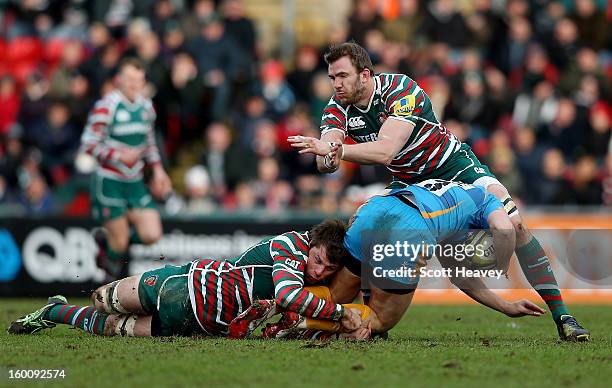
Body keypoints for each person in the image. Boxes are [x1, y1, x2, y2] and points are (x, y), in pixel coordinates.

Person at [287, 41, 589, 341]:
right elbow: (327, 155)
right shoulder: (336, 106)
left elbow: (386, 151)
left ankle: (563, 316)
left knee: (516, 224)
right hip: (409, 181)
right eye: (332, 78)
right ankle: (358, 318)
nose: (336, 84)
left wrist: (335, 149)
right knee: (361, 226)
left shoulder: (400, 90)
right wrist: (326, 156)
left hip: (454, 167)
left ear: (364, 75)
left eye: (342, 76)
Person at [233, 179, 546, 340]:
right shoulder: (486, 200)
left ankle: (282, 304)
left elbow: (363, 209)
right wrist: (499, 264)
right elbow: (504, 228)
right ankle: (299, 321)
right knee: (379, 322)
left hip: (373, 211)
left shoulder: (441, 186)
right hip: (410, 230)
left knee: (335, 296)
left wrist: (505, 305)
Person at [8, 220, 362, 338]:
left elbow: (284, 313)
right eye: (317, 261)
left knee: (112, 328)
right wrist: (339, 314)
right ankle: (55, 308)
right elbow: (287, 295)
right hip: (184, 285)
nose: (318, 271)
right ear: (312, 244)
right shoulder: (290, 246)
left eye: (327, 270)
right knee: (103, 301)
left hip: (199, 323)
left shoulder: (312, 274)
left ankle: (53, 313)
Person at [79, 58, 172, 278]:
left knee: (152, 234)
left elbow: (149, 143)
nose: (134, 84)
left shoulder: (146, 106)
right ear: (119, 79)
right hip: (110, 182)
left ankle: (108, 241)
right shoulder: (106, 106)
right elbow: (88, 144)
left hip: (135, 181)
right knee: (119, 245)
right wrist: (118, 155)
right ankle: (108, 273)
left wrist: (159, 170)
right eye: (129, 79)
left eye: (138, 80)